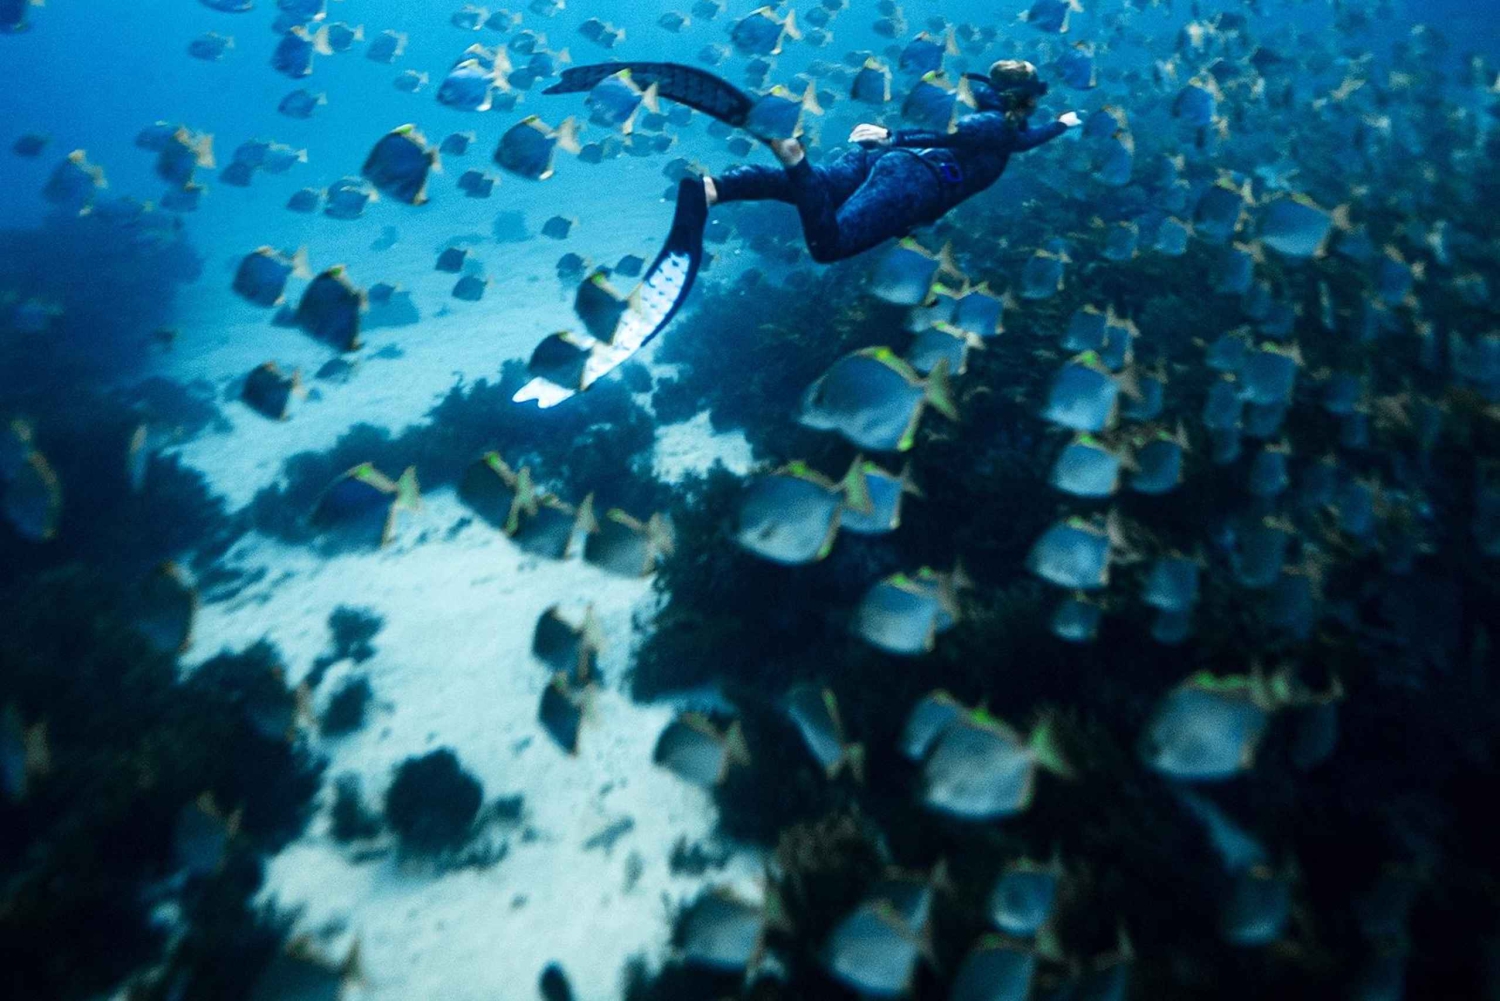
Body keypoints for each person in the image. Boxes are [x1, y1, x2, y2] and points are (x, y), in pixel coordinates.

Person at [703, 60, 1082, 263]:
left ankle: (717, 188)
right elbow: (951, 133)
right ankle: (794, 159)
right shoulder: (997, 125)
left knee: (822, 188)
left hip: (884, 163)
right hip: (910, 181)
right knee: (829, 246)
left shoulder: (1002, 127)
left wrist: (1061, 125)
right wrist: (894, 137)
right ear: (1026, 98)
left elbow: (1027, 139)